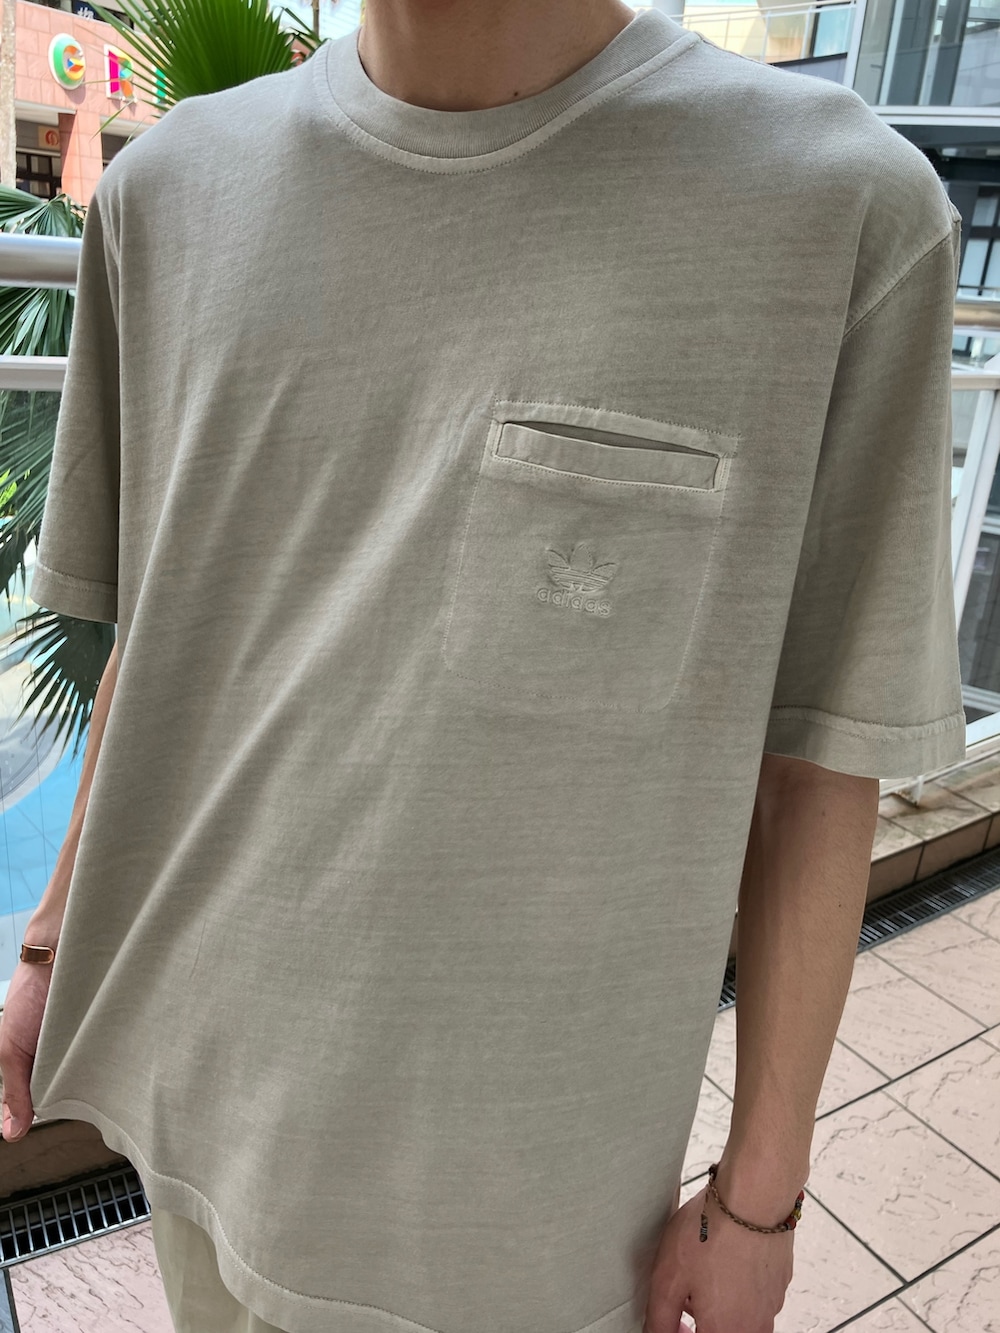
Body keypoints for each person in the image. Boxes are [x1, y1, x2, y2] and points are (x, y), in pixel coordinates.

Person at [0, 1, 966, 1330]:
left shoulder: (838, 211)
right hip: (197, 1117)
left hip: (521, 1212)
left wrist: (761, 1200)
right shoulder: (166, 194)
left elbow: (820, 756)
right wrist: (51, 943)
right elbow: (154, 641)